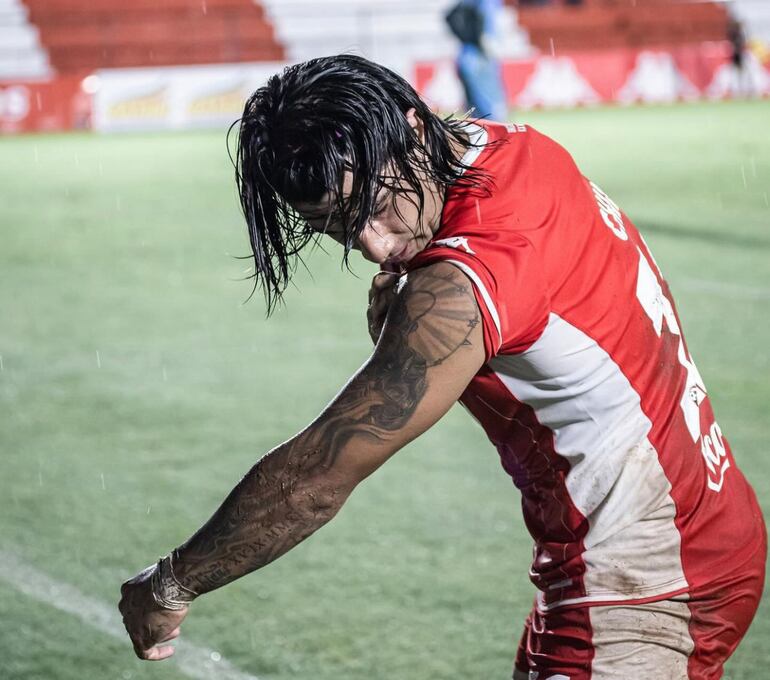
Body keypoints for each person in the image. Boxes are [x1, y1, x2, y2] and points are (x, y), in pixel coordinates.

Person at [119, 55, 766, 678]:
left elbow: (320, 475)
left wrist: (174, 581)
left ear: (414, 129)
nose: (373, 245)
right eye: (337, 228)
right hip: (693, 524)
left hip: (648, 580)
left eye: (374, 206)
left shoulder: (461, 281)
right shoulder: (503, 146)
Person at [446, 0, 508, 120]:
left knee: (475, 103)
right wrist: (480, 38)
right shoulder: (482, 3)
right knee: (488, 101)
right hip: (479, 56)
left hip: (469, 55)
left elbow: (450, 17)